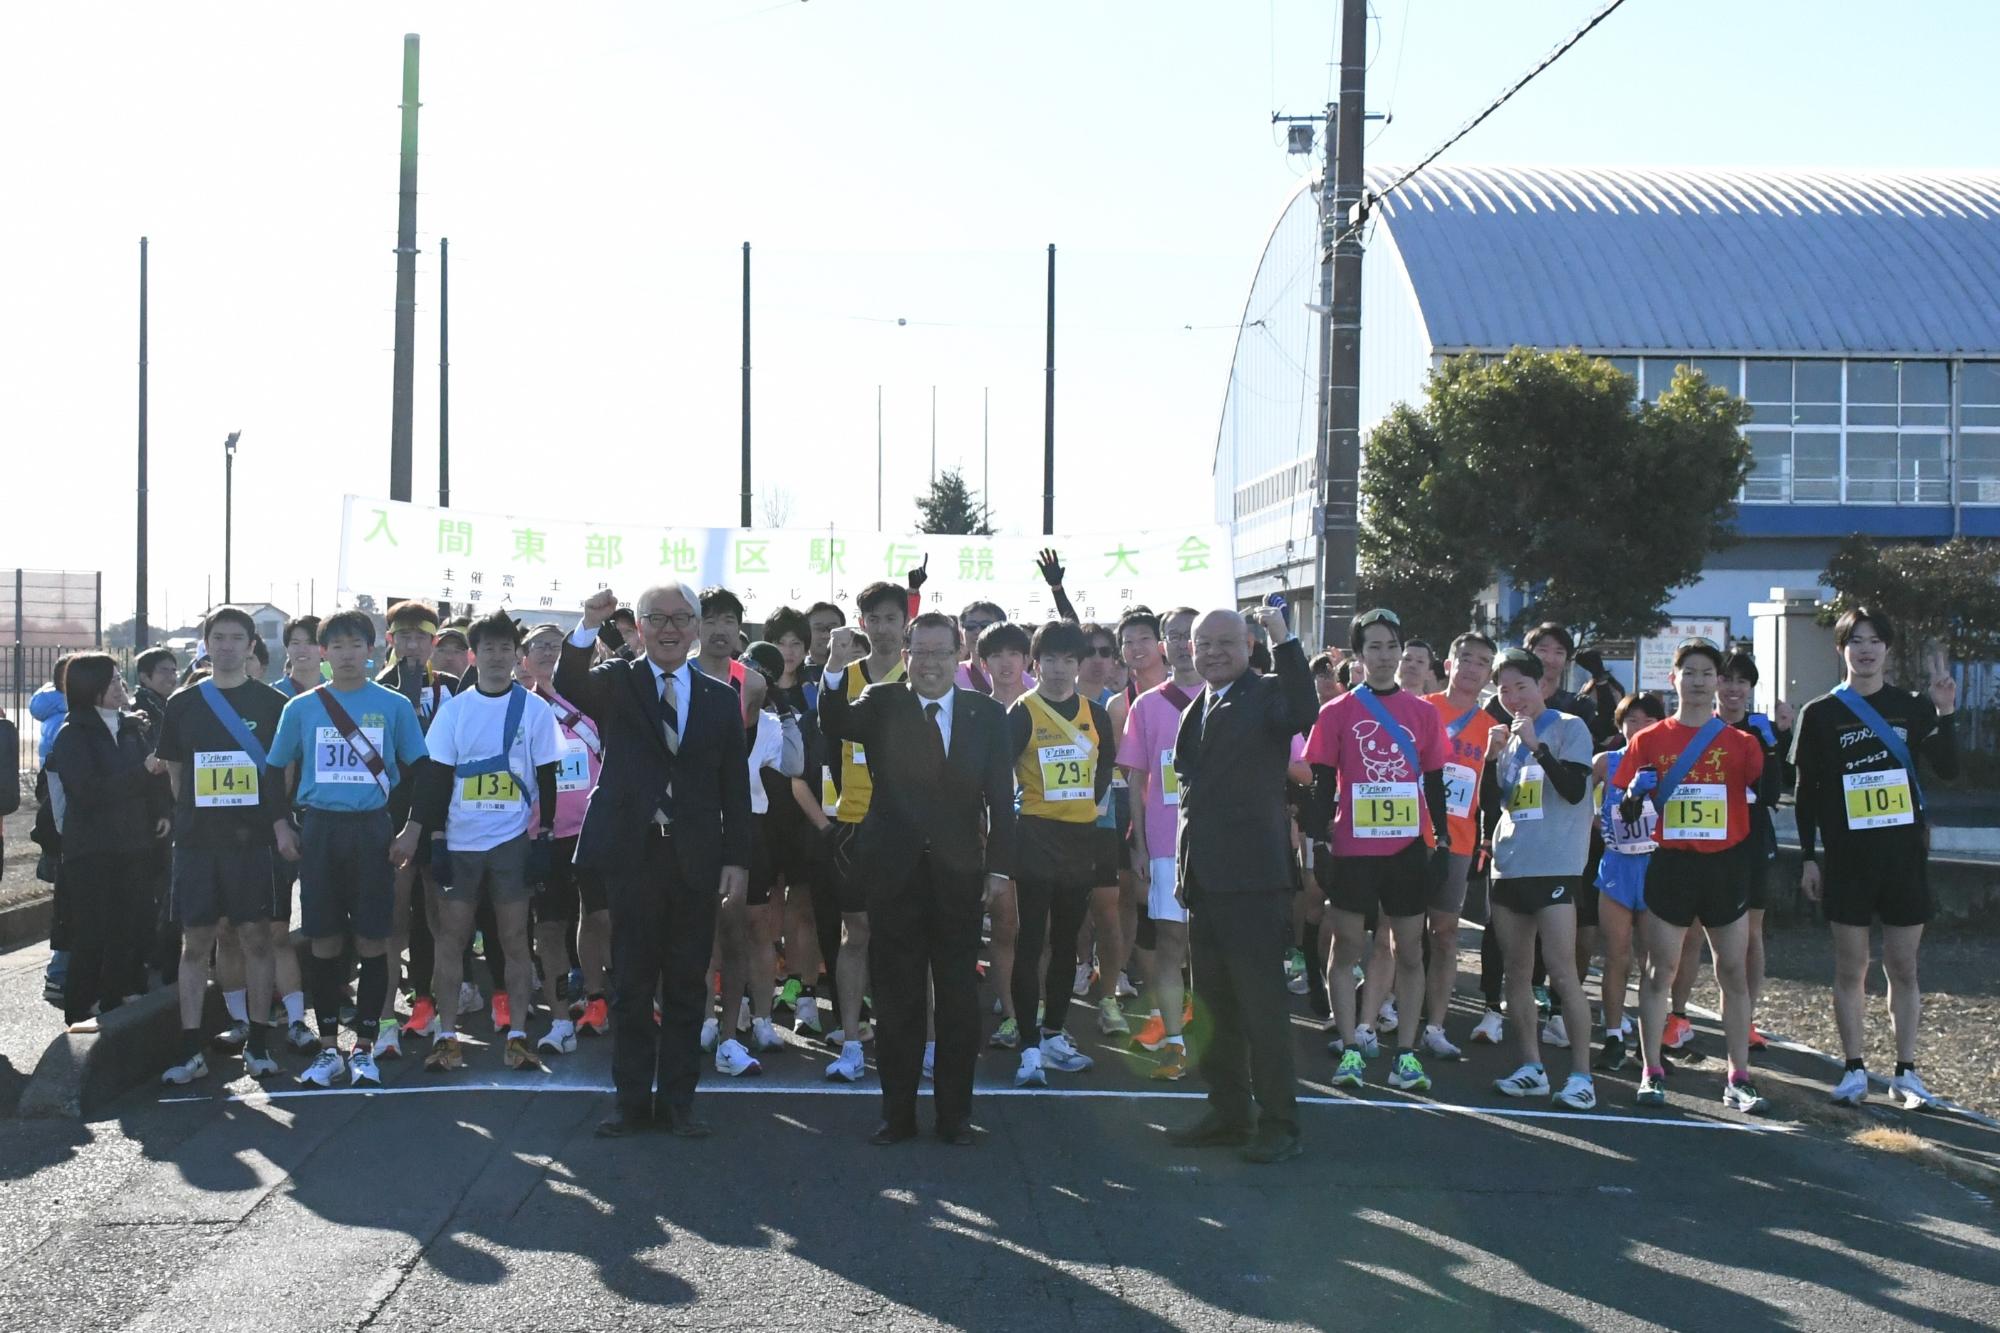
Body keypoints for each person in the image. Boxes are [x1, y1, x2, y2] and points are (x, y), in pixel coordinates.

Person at [817, 611, 1017, 1146]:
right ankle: (896, 1115)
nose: (930, 663)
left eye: (941, 652)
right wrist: (834, 668)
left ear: (959, 656)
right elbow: (834, 724)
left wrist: (998, 867)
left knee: (957, 1000)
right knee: (899, 998)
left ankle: (956, 1117)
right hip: (892, 873)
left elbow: (1001, 798)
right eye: (920, 652)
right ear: (906, 657)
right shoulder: (883, 702)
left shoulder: (987, 714)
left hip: (960, 877)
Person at [561, 584, 751, 1139]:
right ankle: (629, 1102)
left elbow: (733, 787)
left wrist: (737, 858)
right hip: (633, 852)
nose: (670, 628)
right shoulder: (618, 681)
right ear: (639, 626)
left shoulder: (719, 696)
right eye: (657, 618)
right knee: (633, 984)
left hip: (695, 857)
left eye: (681, 618)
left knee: (689, 982)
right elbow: (570, 682)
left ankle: (679, 1103)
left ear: (695, 627)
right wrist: (587, 621)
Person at [1792, 607, 1958, 1109]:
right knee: (1851, 967)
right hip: (1846, 858)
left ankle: (1906, 1072)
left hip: (1903, 856)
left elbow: (1948, 769)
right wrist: (1807, 857)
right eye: (1855, 641)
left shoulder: (1911, 706)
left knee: (1904, 966)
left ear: (1887, 649)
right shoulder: (1820, 713)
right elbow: (1805, 793)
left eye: (1874, 641)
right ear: (1840, 649)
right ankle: (1854, 1069)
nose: (1865, 650)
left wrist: (1946, 713)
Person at [1167, 605, 1316, 1165]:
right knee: (1214, 1007)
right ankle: (1228, 1113)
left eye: (1225, 643)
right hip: (1206, 883)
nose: (1211, 652)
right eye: (1202, 644)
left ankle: (1280, 1124)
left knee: (1262, 1010)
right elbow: (1189, 800)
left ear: (1250, 644)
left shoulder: (1268, 693)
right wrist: (1185, 873)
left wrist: (1285, 637)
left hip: (1254, 881)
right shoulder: (1197, 705)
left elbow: (1305, 708)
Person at [263, 610, 429, 1088]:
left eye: (356, 645)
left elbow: (424, 772)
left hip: (374, 830)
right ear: (323, 653)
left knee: (375, 939)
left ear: (372, 650)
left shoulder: (394, 705)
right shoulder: (301, 708)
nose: (347, 655)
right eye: (337, 647)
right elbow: (274, 771)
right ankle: (328, 1046)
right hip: (319, 830)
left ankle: (365, 1046)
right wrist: (281, 826)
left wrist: (413, 830)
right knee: (324, 940)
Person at [396, 611, 562, 1072]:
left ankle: (519, 1036)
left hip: (511, 841)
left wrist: (544, 836)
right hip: (460, 840)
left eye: (505, 648)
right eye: (487, 648)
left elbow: (547, 775)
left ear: (516, 655)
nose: (496, 656)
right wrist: (434, 837)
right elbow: (434, 779)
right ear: (474, 655)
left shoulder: (534, 709)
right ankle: (447, 1036)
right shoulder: (454, 710)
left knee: (513, 939)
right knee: (452, 940)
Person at [1614, 640, 1768, 1113]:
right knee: (1660, 969)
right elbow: (1620, 806)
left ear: (1719, 682)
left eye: (1708, 673)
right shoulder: (1649, 740)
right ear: (1673, 678)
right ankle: (1651, 1069)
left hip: (1725, 866)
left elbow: (1764, 794)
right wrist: (1635, 797)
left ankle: (1738, 1076)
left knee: (1733, 971)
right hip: (1672, 864)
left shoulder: (1743, 744)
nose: (1699, 681)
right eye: (1690, 672)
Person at [1307, 609, 1451, 1096]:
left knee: (1408, 950)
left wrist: (1443, 840)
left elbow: (1433, 783)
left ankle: (1406, 1053)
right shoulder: (1336, 712)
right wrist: (1319, 839)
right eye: (1374, 647)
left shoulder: (1425, 713)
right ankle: (1350, 1045)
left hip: (1407, 850)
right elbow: (1323, 783)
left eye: (1392, 646)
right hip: (1353, 849)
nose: (1385, 656)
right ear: (1359, 654)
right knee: (1346, 948)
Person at [153, 607, 289, 1084]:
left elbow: (281, 773)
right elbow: (174, 774)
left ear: (252, 646)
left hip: (252, 842)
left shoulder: (273, 705)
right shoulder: (182, 705)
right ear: (206, 645)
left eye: (237, 638)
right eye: (219, 637)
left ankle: (259, 1041)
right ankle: (190, 1049)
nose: (227, 646)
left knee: (256, 937)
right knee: (197, 944)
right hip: (196, 843)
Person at [1001, 620, 1118, 1088]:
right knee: (1032, 940)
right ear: (1037, 662)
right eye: (1049, 659)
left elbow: (1104, 769)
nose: (1059, 668)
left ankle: (1054, 1034)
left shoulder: (1095, 713)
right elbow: (1002, 771)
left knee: (1068, 941)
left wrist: (1087, 807)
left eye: (1068, 659)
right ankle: (1028, 1044)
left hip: (1081, 838)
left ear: (1079, 663)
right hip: (1034, 835)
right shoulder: (1023, 711)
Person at [1482, 649, 1599, 1110]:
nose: (1513, 698)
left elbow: (1573, 790)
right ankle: (1531, 1066)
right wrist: (1494, 761)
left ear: (1541, 684)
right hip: (1511, 863)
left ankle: (1581, 1074)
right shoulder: (1507, 740)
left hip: (1556, 865)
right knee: (1517, 970)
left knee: (1562, 972)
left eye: (1521, 687)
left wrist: (1537, 745)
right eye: (1504, 690)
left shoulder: (1570, 727)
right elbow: (1499, 806)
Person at [816, 582, 913, 1080]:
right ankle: (851, 1042)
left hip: (908, 828)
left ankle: (921, 1043)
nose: (881, 628)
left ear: (905, 623)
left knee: (911, 938)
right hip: (853, 823)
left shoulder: (921, 677)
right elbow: (826, 735)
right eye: (872, 618)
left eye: (891, 618)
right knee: (855, 932)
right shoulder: (840, 677)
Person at [44, 653, 170, 1032]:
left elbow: (154, 775)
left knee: (129, 925)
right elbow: (87, 792)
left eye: (120, 680)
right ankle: (81, 1006)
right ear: (91, 687)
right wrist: (141, 772)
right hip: (92, 849)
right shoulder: (74, 733)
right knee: (92, 931)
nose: (121, 688)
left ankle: (116, 994)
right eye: (113, 681)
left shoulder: (130, 726)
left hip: (133, 843)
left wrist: (161, 811)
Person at [703, 649, 801, 1072]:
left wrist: (788, 714)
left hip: (750, 831)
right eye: (747, 672)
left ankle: (762, 1020)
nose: (752, 682)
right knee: (706, 930)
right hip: (705, 832)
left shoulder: (771, 723)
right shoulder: (703, 711)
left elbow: (794, 765)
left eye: (763, 678)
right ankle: (707, 1020)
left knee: (757, 929)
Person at [515, 623, 611, 1055]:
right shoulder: (518, 708)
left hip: (594, 831)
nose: (550, 653)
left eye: (558, 645)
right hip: (541, 835)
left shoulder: (594, 700)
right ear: (524, 657)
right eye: (540, 646)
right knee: (549, 928)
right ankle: (559, 1019)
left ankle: (597, 1000)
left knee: (600, 919)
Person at [1120, 606, 1202, 1078]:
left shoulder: (1229, 698)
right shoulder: (1146, 704)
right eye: (1173, 635)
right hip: (1166, 844)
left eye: (1189, 635)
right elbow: (1137, 780)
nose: (1182, 643)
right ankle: (1173, 1039)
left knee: (1212, 945)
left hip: (1220, 845)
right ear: (1163, 644)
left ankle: (1217, 1039)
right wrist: (1140, 846)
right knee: (1170, 941)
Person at [1420, 632, 1501, 1058]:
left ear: (1489, 674)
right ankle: (1387, 1009)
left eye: (1482, 662)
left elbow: (1490, 794)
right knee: (1398, 932)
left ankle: (1435, 1025)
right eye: (1465, 659)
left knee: (1445, 933)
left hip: (1459, 841)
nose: (1472, 668)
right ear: (1449, 664)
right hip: (1412, 835)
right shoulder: (1422, 709)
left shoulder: (1493, 730)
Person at [1715, 651, 1794, 1054]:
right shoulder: (1700, 726)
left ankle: (1746, 1019)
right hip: (1705, 836)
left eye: (1742, 681)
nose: (1733, 688)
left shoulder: (1763, 728)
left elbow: (1778, 787)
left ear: (1751, 688)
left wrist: (1781, 737)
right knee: (1696, 932)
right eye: (1726, 678)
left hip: (1753, 838)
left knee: (1751, 933)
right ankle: (1679, 1014)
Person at [1591, 692, 1667, 1072]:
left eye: (1647, 721)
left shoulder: (1668, 764)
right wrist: (1598, 822)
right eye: (1630, 720)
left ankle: (1651, 1042)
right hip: (1616, 866)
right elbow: (1576, 800)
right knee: (1616, 957)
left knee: (1654, 961)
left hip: (1656, 868)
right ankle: (1612, 1037)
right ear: (1620, 725)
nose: (1638, 728)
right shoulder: (1606, 762)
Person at [974, 619, 1034, 1049]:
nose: (1006, 662)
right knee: (1006, 925)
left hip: (1045, 833)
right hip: (994, 835)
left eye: (1014, 653)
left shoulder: (1043, 706)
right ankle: (1012, 1014)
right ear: (983, 662)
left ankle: (1040, 1012)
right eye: (997, 654)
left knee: (1042, 929)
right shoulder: (977, 711)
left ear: (1027, 659)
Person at [954, 601, 1007, 693]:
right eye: (970, 626)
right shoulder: (951, 674)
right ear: (961, 633)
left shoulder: (1017, 676)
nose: (977, 631)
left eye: (985, 626)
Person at [133, 647, 179, 735]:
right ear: (144, 677)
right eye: (164, 671)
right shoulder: (136, 711)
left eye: (173, 671)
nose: (171, 677)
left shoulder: (176, 706)